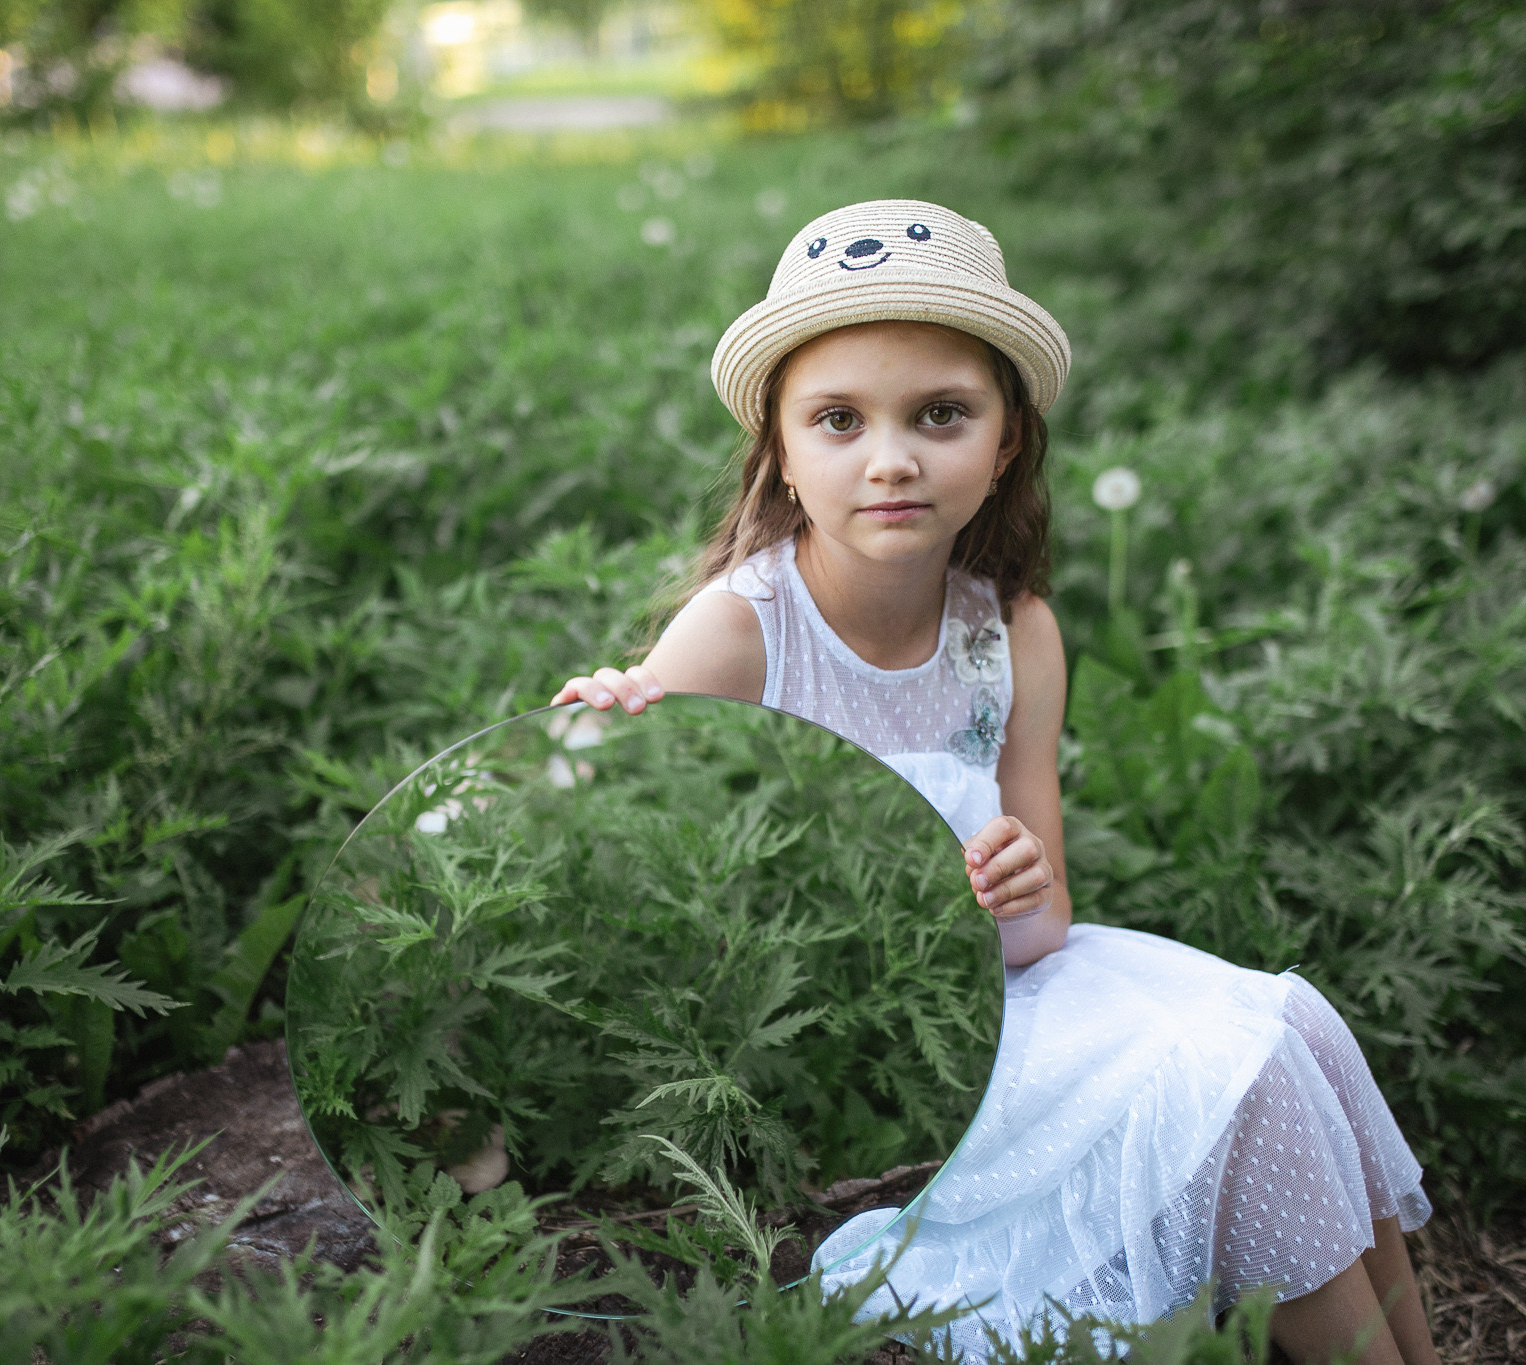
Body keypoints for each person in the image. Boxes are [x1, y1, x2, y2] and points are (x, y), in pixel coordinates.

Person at [552, 199, 1439, 1365]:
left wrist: (1017, 891)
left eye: (940, 415)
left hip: (1010, 1000)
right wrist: (603, 738)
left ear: (1004, 439)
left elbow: (1047, 925)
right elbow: (657, 928)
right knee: (1238, 1074)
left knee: (1282, 1028)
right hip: (863, 1049)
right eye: (836, 420)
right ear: (777, 445)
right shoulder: (737, 636)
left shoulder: (1012, 632)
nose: (891, 458)